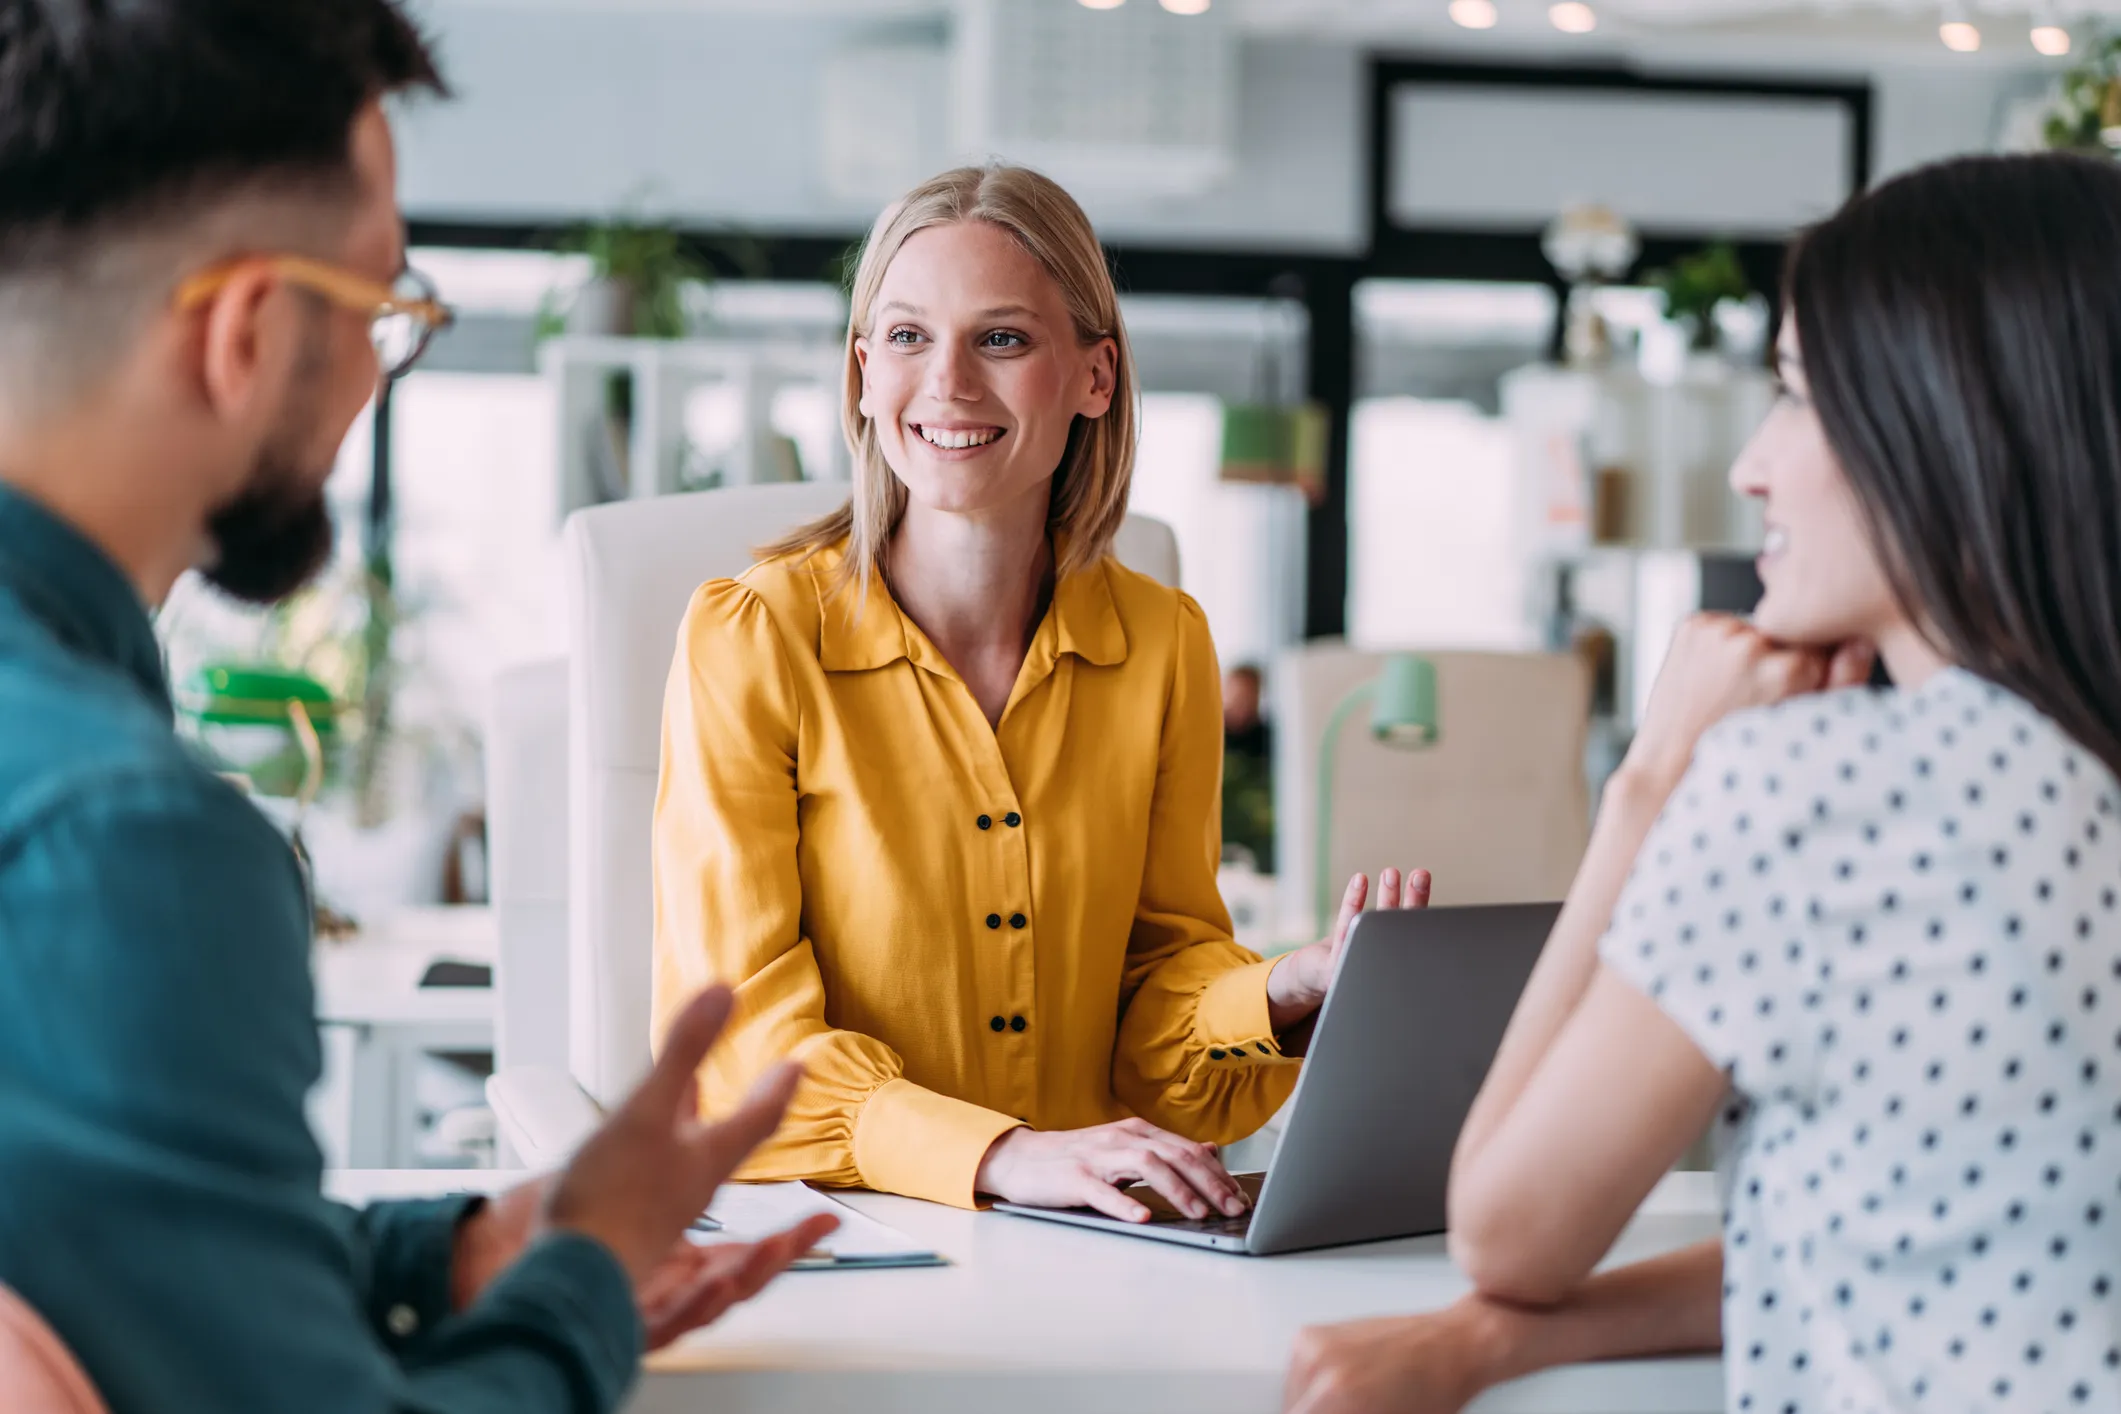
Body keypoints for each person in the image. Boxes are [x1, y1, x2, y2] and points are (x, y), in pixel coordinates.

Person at [0, 5, 832, 1412]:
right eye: (383, 307)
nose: (380, 368)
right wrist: (583, 1275)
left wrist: (458, 1252)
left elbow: (95, 1247)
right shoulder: (127, 839)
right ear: (249, 332)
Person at [1283, 150, 2121, 1413]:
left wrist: (1658, 777)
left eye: (1796, 396)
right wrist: (1503, 1344)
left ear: (1946, 425)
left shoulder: (1820, 787)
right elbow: (1933, 1230)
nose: (1751, 468)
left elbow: (1506, 1228)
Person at [651, 163, 1428, 1224]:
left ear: (1095, 376)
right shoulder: (756, 638)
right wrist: (1004, 1152)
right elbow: (738, 1044)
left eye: (1003, 339)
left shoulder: (1163, 642)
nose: (950, 384)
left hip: (1098, 1233)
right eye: (911, 337)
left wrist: (1286, 990)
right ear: (862, 373)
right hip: (834, 1234)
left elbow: (1157, 1007)